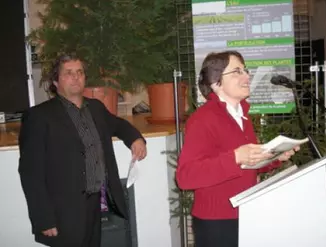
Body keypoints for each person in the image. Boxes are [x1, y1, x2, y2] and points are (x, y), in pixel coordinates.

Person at [18, 54, 147, 247]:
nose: (76, 77)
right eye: (68, 73)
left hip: (94, 204)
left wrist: (135, 138)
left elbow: (118, 124)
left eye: (79, 72)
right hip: (62, 212)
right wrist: (43, 218)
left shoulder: (95, 107)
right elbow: (30, 173)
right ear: (55, 81)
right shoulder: (39, 116)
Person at [176, 51, 300, 247]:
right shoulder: (202, 119)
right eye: (236, 72)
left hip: (246, 212)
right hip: (217, 222)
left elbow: (246, 166)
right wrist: (234, 157)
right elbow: (185, 177)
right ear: (216, 83)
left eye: (245, 70)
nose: (246, 76)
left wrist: (275, 157)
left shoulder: (241, 114)